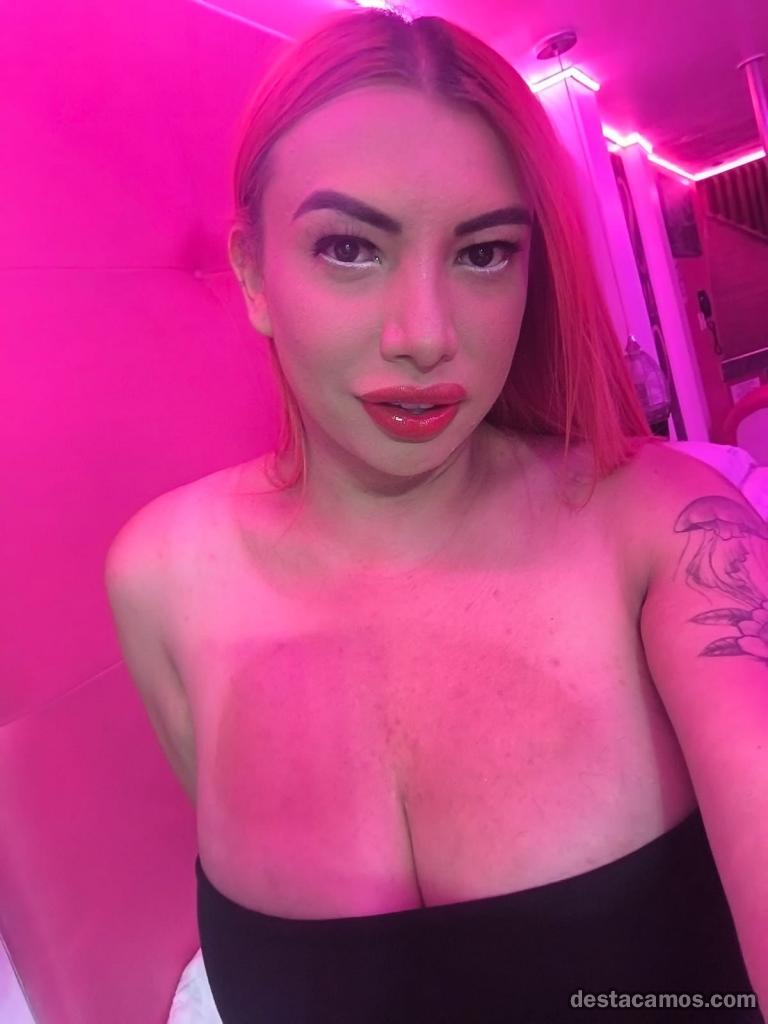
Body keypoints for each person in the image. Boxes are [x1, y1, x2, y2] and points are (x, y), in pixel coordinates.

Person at [106, 6, 765, 1022]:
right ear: (253, 276)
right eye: (349, 247)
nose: (425, 335)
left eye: (484, 253)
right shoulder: (162, 580)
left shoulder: (669, 531)